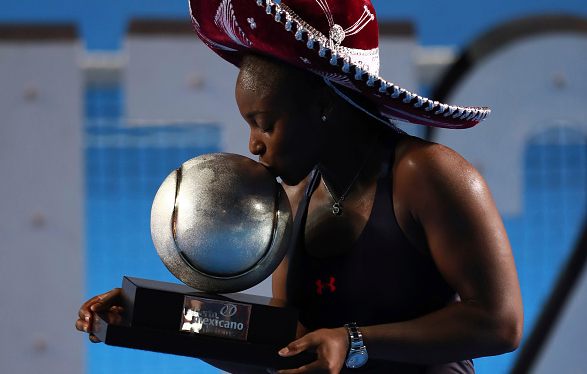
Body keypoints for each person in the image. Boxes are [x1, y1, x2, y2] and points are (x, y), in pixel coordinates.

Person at [76, 1, 523, 373]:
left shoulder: (427, 175)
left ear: (324, 103)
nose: (253, 144)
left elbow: (500, 322)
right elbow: (289, 351)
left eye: (265, 124)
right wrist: (147, 318)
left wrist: (354, 341)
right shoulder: (293, 201)